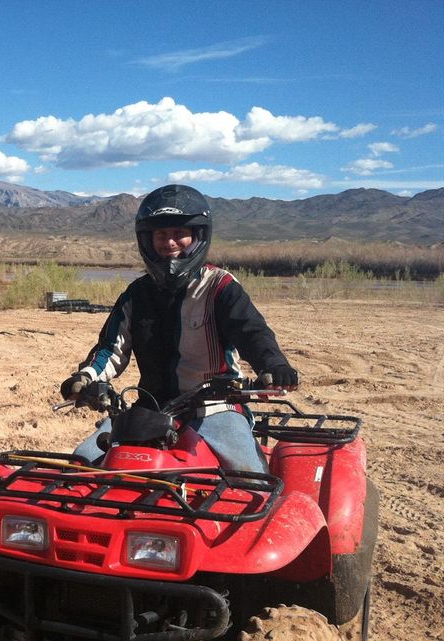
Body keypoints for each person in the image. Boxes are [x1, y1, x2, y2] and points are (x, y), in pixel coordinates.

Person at [60, 184, 298, 473]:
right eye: (161, 234)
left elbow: (252, 332)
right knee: (82, 463)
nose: (169, 242)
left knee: (249, 479)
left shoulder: (219, 287)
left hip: (215, 408)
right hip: (149, 409)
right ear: (147, 240)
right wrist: (85, 379)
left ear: (197, 236)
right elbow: (111, 349)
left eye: (178, 233)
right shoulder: (137, 294)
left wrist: (273, 364)